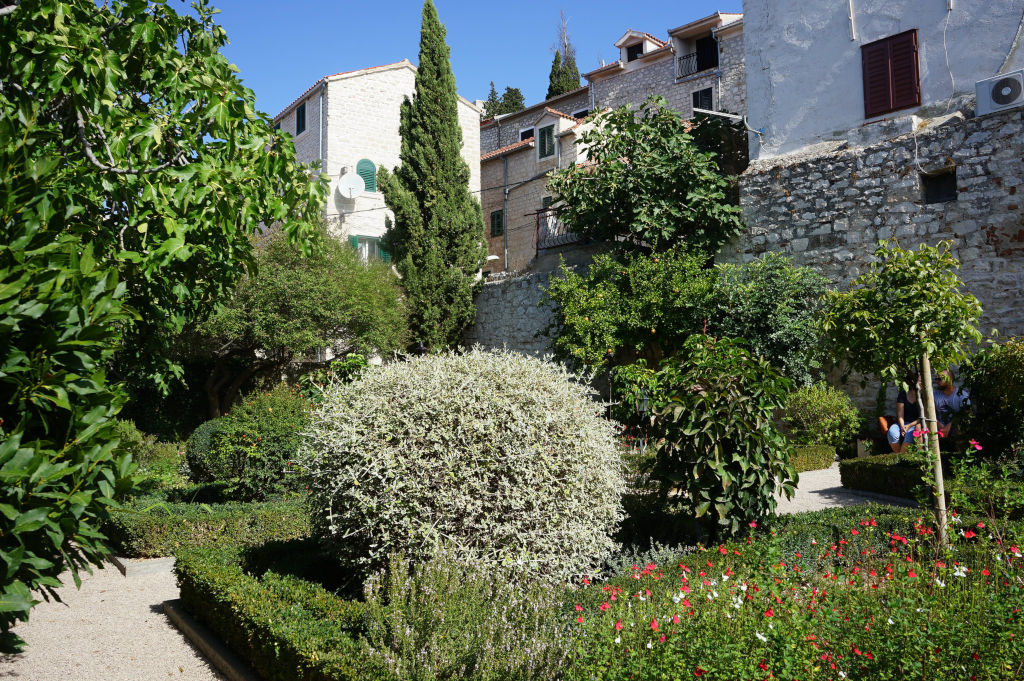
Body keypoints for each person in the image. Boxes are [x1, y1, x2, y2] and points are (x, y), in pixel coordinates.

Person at [888, 372, 922, 453]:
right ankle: (900, 456)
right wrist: (903, 426)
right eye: (920, 381)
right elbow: (900, 415)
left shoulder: (924, 396)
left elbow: (922, 417)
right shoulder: (903, 395)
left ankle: (901, 459)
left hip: (916, 424)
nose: (922, 383)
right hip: (903, 423)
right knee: (892, 432)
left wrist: (909, 426)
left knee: (910, 435)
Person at [933, 369, 968, 438]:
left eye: (940, 379)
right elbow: (930, 413)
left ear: (950, 379)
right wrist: (938, 424)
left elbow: (965, 413)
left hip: (956, 425)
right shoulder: (934, 395)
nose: (937, 381)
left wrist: (950, 425)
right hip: (938, 425)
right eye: (936, 379)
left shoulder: (962, 395)